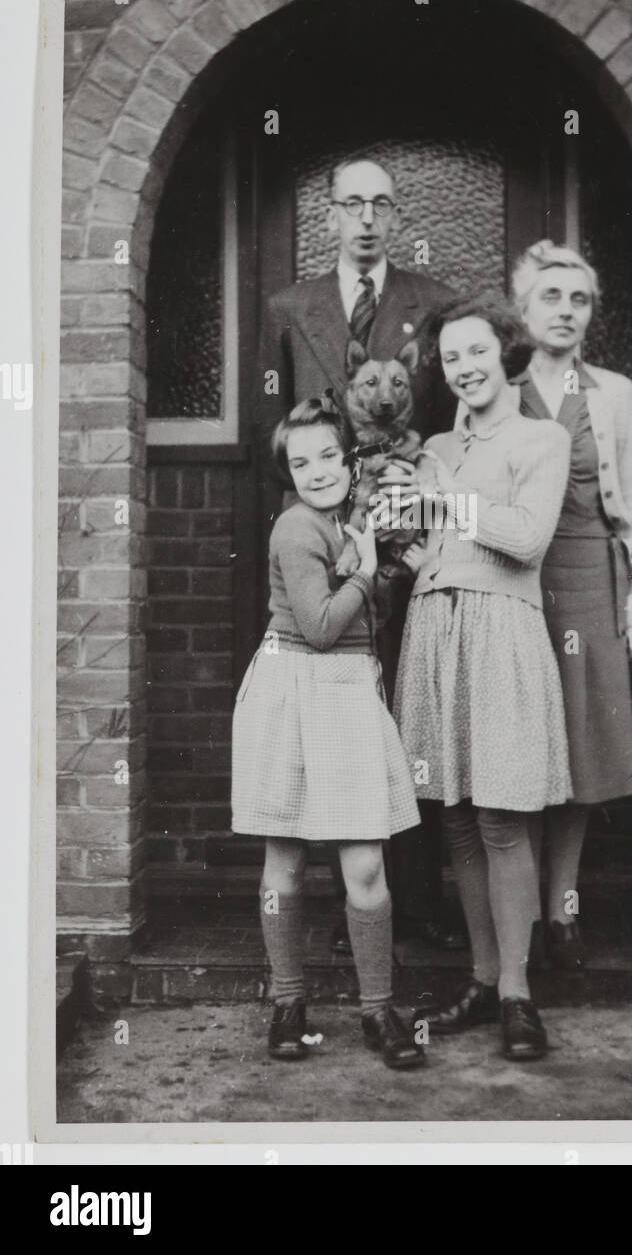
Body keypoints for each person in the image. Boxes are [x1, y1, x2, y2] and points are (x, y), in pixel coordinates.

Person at [254, 156, 464, 952]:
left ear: (395, 215)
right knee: (324, 718)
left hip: (403, 543)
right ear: (330, 218)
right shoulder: (288, 306)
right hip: (319, 557)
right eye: (352, 205)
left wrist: (408, 527)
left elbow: (438, 431)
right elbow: (272, 441)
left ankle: (411, 901)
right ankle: (332, 903)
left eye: (381, 204)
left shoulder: (433, 306)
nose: (367, 218)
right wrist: (304, 552)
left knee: (404, 714)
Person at [392, 295, 573, 1062]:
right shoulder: (434, 444)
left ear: (505, 353)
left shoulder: (542, 437)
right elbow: (436, 547)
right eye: (449, 358)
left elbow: (526, 539)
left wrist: (444, 501)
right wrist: (397, 538)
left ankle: (518, 995)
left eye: (475, 352)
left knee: (502, 817)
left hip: (501, 631)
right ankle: (479, 976)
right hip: (436, 630)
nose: (462, 368)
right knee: (458, 817)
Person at [231, 396, 429, 1070]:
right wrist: (370, 571)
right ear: (286, 471)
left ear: (350, 456)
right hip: (292, 685)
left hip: (347, 690)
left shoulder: (354, 518)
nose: (316, 471)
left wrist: (391, 557)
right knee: (285, 858)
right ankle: (288, 1002)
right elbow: (318, 626)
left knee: (365, 862)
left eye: (327, 455)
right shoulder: (295, 526)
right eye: (299, 461)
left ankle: (378, 1009)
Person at [512, 240, 632, 969]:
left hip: (591, 579)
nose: (565, 311)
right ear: (522, 309)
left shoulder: (614, 393)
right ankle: (519, 917)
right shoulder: (500, 393)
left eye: (579, 300)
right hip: (521, 584)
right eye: (550, 297)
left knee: (581, 752)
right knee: (526, 746)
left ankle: (560, 906)